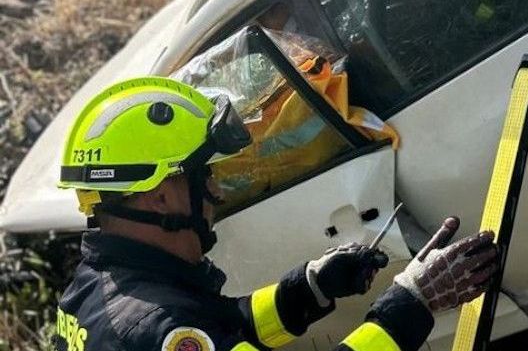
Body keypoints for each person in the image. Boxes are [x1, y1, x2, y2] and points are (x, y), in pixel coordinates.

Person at [54, 76, 498, 351]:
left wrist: (310, 287)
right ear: (160, 196)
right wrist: (411, 306)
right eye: (201, 175)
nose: (214, 189)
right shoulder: (161, 330)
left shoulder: (99, 287)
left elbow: (226, 326)